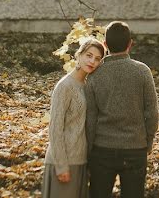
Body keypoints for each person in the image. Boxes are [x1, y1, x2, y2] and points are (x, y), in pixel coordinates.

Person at [85, 21, 159, 198]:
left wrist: (89, 150)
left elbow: (90, 118)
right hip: (135, 149)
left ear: (105, 45)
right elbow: (152, 114)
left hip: (101, 150)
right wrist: (147, 142)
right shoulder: (143, 72)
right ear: (130, 44)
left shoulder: (94, 74)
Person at [43, 37, 106, 198]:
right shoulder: (65, 86)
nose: (92, 61)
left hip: (80, 161)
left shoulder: (86, 86)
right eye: (89, 55)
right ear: (79, 55)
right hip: (63, 161)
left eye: (97, 59)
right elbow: (55, 127)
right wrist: (61, 165)